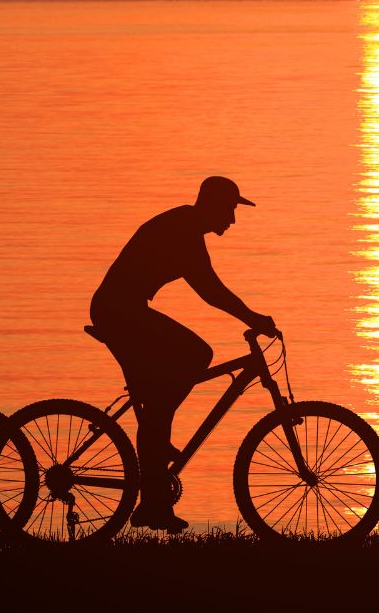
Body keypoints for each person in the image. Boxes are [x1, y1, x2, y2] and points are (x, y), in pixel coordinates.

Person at [90, 176, 276, 533]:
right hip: (118, 311)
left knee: (172, 381)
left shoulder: (187, 227)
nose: (232, 221)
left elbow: (210, 287)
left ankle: (153, 489)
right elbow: (211, 290)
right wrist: (252, 318)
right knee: (196, 353)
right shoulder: (184, 231)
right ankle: (156, 465)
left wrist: (250, 315)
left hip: (124, 308)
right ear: (213, 205)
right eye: (230, 210)